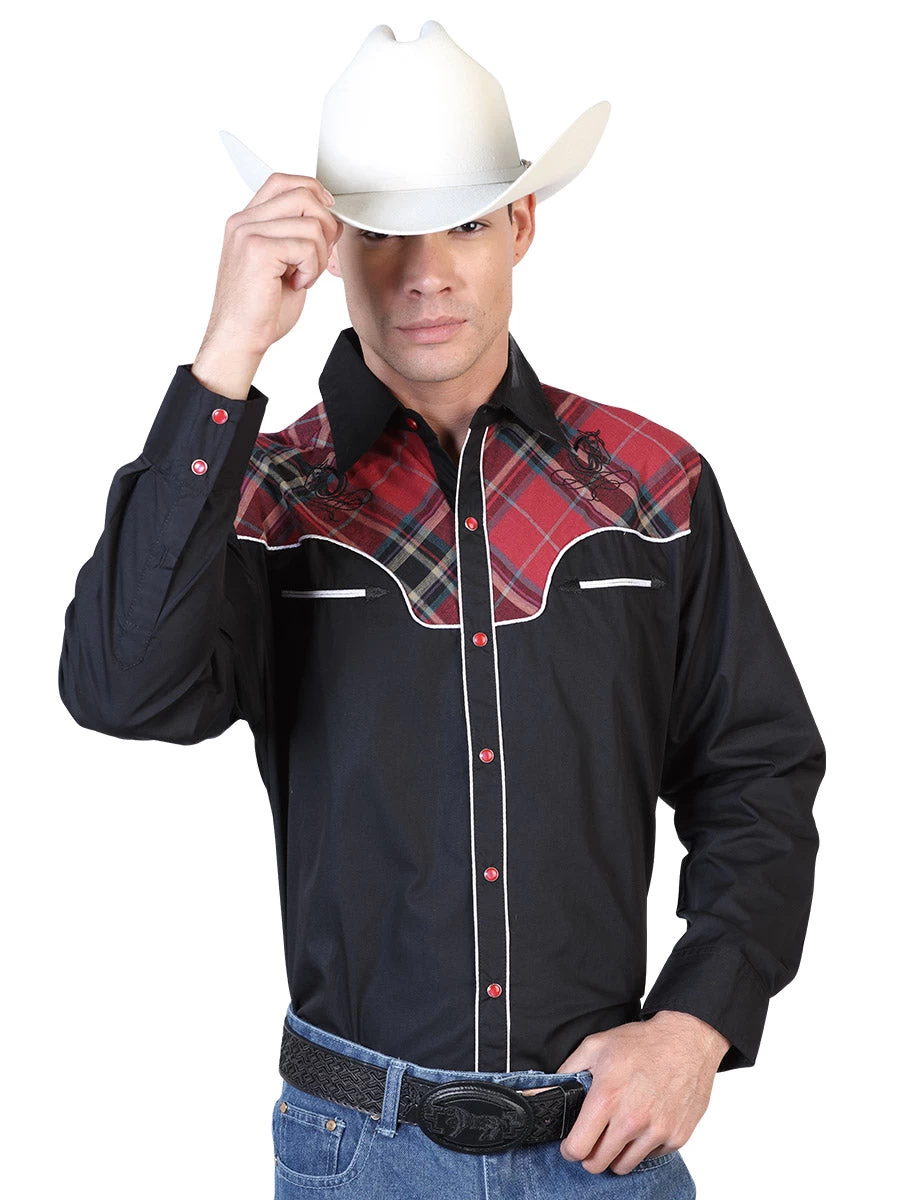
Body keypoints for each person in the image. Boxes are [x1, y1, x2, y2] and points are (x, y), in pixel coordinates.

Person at [58, 19, 826, 1200]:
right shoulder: (266, 498)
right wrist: (227, 352)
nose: (426, 272)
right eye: (381, 231)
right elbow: (119, 688)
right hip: (356, 1153)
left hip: (604, 1149)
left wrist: (696, 1024)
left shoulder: (650, 484)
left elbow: (758, 771)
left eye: (465, 223)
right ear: (329, 249)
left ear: (522, 224)